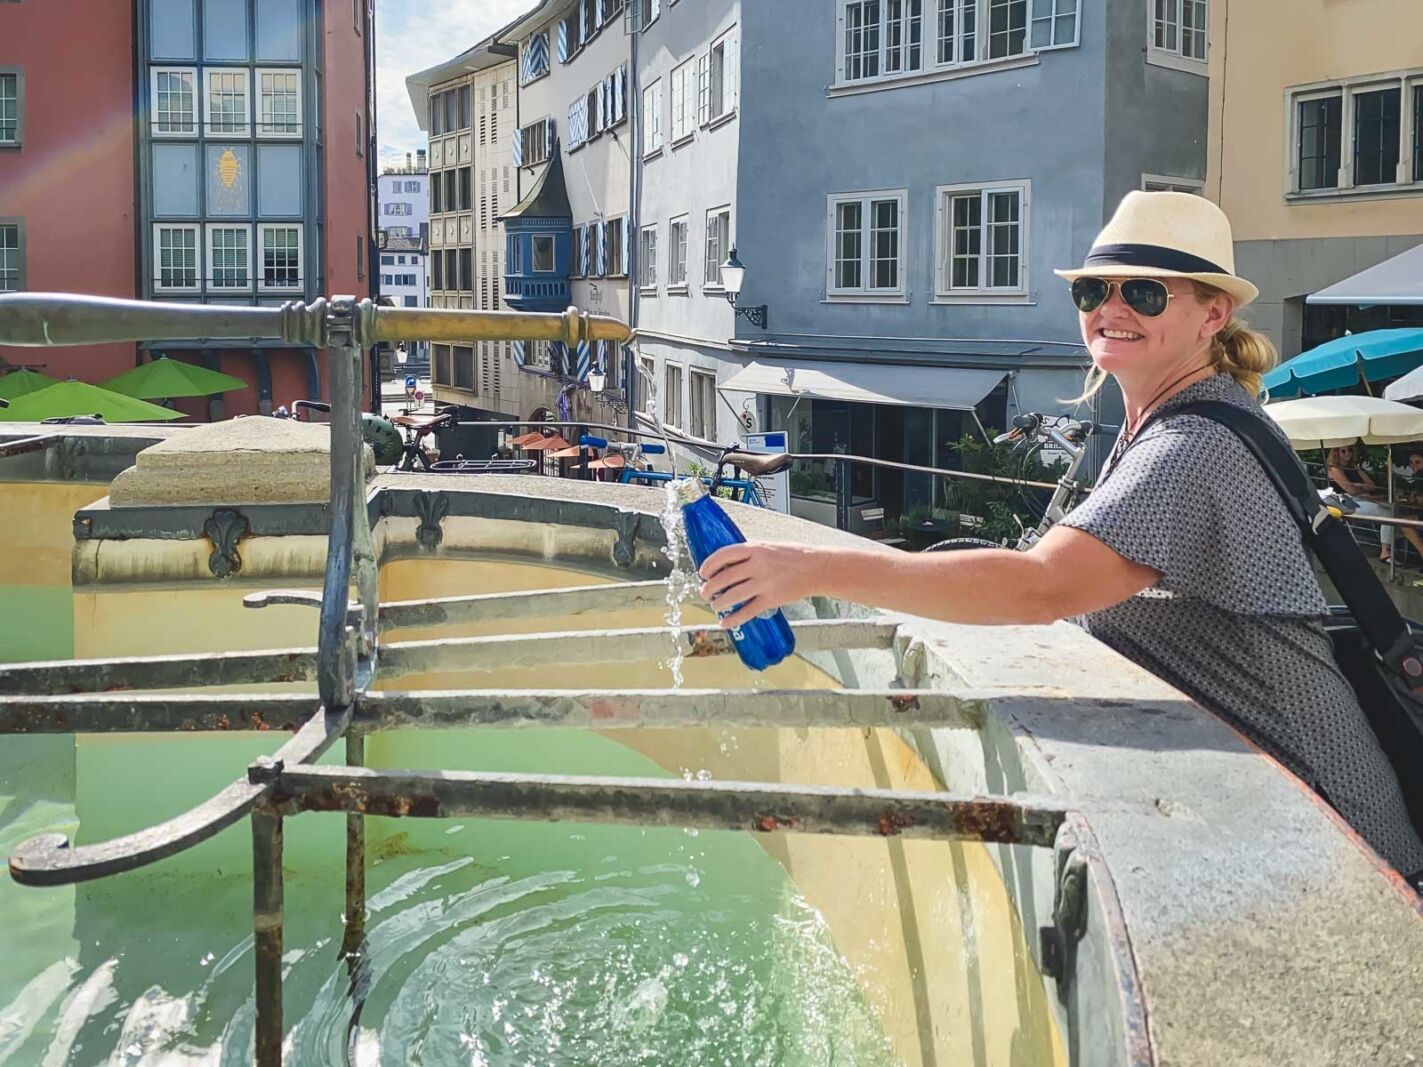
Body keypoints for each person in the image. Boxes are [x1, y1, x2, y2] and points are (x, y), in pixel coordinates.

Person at [698, 191, 1423, 881]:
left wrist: (811, 567)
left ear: (1212, 314)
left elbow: (1044, 584)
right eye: (1092, 291)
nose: (1111, 308)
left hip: (1326, 820)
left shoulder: (1190, 446)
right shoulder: (1175, 417)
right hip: (1300, 795)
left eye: (1143, 292)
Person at [1325, 443, 1423, 562]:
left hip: (1361, 499)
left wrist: (1359, 483)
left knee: (1393, 507)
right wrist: (1360, 488)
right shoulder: (1334, 468)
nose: (1348, 453)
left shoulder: (1354, 467)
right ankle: (1385, 551)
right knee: (1387, 512)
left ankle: (1393, 545)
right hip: (1346, 503)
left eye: (1350, 450)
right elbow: (1351, 490)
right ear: (1336, 453)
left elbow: (1371, 485)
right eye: (1343, 451)